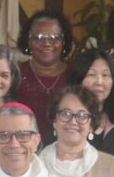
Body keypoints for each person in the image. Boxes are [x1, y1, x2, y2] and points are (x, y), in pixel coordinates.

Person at [39, 86, 114, 177]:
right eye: (65, 114)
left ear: (91, 125)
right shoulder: (37, 165)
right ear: (54, 121)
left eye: (82, 115)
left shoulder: (111, 166)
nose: (73, 121)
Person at [15, 10, 73, 144]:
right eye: (38, 37)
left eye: (54, 37)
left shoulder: (75, 75)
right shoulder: (15, 73)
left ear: (63, 41)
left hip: (66, 147)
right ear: (28, 41)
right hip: (21, 146)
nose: (46, 43)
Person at [68, 47, 114, 159]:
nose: (99, 82)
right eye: (91, 75)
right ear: (78, 80)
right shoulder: (63, 119)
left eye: (105, 75)